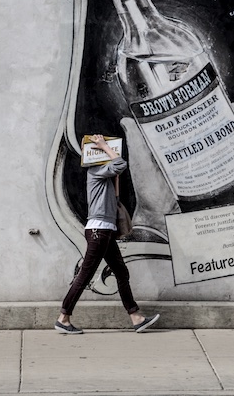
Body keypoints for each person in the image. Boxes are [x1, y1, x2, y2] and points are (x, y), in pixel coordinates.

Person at [56, 134, 160, 334]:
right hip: (99, 231)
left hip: (105, 231)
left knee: (121, 272)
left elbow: (116, 176)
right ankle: (63, 317)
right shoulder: (96, 170)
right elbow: (120, 163)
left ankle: (136, 317)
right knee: (85, 274)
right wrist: (104, 145)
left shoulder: (105, 175)